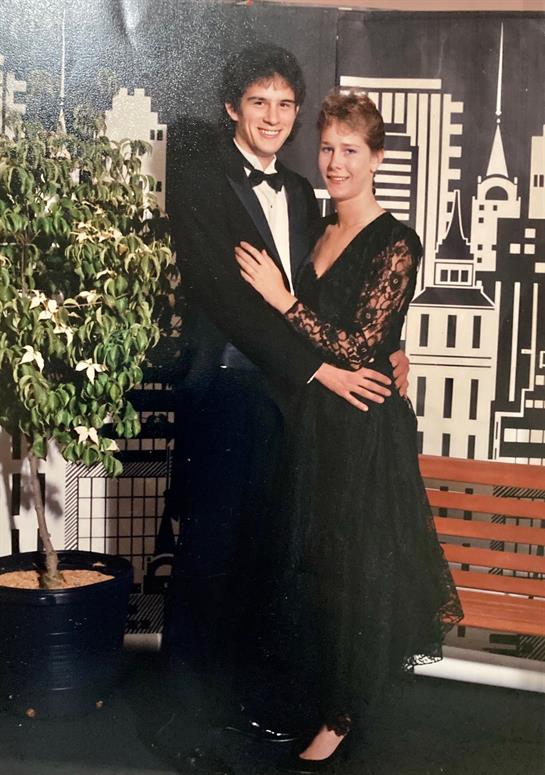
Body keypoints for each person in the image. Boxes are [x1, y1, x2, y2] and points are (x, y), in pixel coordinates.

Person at [162, 41, 411, 742]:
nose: (271, 117)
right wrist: (319, 370)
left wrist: (390, 342)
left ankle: (244, 705)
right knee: (208, 554)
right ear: (230, 107)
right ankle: (182, 721)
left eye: (283, 104)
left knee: (265, 557)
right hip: (228, 394)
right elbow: (227, 299)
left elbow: (326, 302)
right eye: (257, 102)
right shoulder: (198, 177)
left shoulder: (304, 196)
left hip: (288, 408)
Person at [235, 90, 463, 773]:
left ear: (378, 159)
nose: (334, 162)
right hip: (311, 423)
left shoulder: (396, 240)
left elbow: (362, 343)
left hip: (364, 429)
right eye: (327, 147)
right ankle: (313, 695)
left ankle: (340, 714)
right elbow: (333, 344)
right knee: (309, 564)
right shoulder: (314, 226)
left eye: (350, 150)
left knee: (353, 571)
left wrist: (282, 299)